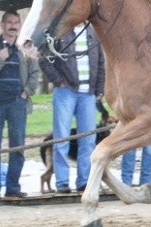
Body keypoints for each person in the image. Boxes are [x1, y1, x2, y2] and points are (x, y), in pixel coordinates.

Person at [0, 10, 41, 200]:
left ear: (20, 25)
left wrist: (26, 92)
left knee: (17, 148)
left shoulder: (26, 47)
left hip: (17, 104)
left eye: (16, 22)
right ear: (2, 25)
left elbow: (35, 73)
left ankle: (13, 187)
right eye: (9, 22)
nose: (13, 25)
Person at [39, 23, 106, 193]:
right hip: (65, 92)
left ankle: (84, 181)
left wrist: (98, 90)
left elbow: (100, 62)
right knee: (61, 137)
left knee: (88, 140)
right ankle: (62, 182)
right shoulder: (58, 30)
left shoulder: (92, 32)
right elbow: (44, 58)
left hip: (88, 94)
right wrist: (59, 81)